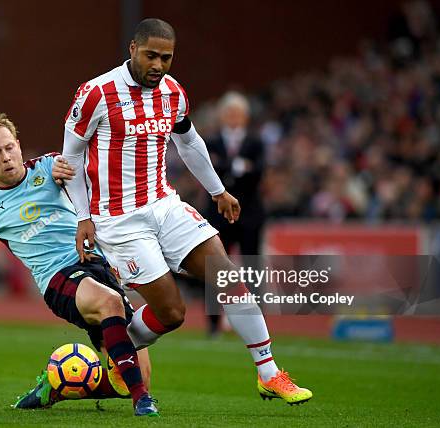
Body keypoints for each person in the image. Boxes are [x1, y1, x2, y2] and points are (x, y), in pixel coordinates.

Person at [59, 18, 312, 405]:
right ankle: (115, 343)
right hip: (119, 220)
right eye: (151, 56)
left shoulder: (174, 92)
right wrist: (82, 216)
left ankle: (269, 373)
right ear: (132, 49)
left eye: (166, 58)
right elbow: (70, 159)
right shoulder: (96, 93)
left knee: (227, 277)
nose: (158, 65)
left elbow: (190, 143)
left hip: (166, 205)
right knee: (172, 313)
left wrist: (219, 191)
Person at [0, 113, 158, 417]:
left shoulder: (49, 166)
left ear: (18, 145)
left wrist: (78, 172)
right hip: (58, 278)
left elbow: (91, 174)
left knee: (133, 376)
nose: (6, 158)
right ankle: (142, 402)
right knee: (109, 302)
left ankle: (54, 387)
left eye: (9, 148)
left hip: (97, 264)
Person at [204, 91, 266, 336]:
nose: (233, 117)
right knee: (215, 265)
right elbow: (208, 169)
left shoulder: (256, 141)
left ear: (246, 117)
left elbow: (258, 173)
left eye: (237, 113)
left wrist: (227, 166)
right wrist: (241, 166)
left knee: (252, 267)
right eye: (229, 112)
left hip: (249, 214)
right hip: (217, 213)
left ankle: (256, 326)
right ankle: (213, 324)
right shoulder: (210, 141)